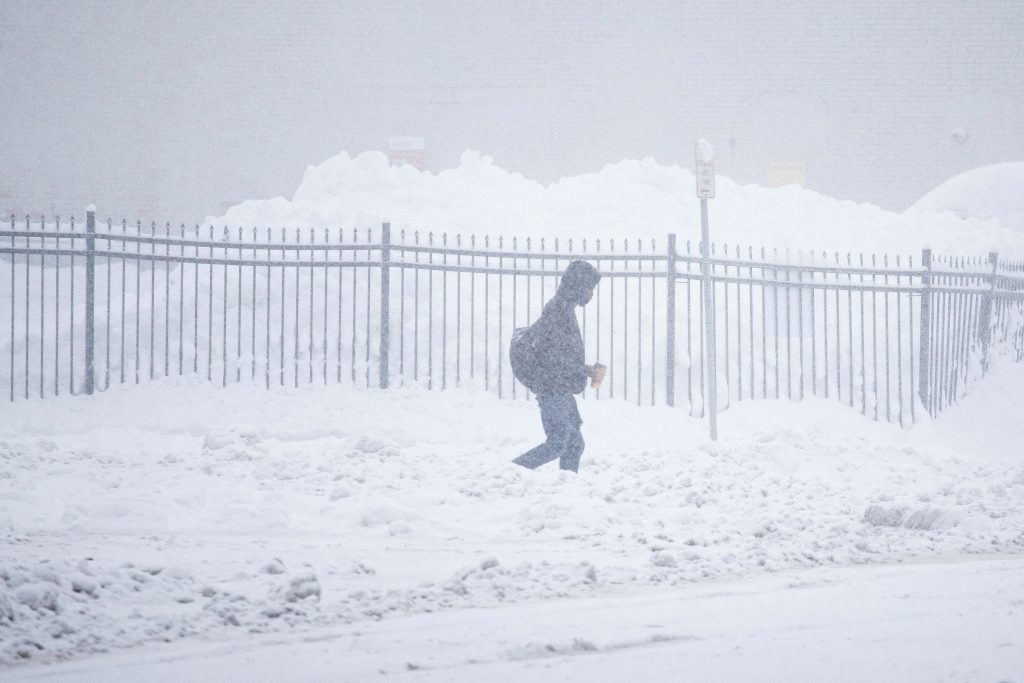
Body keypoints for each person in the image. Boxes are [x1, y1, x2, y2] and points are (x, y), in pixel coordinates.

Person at [512, 260, 603, 473]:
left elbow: (562, 355)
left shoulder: (564, 308)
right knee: (557, 443)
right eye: (590, 288)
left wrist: (585, 369)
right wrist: (582, 370)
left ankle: (566, 488)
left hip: (559, 386)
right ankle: (511, 472)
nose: (591, 294)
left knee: (574, 445)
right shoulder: (558, 311)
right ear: (579, 286)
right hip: (552, 387)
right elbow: (553, 358)